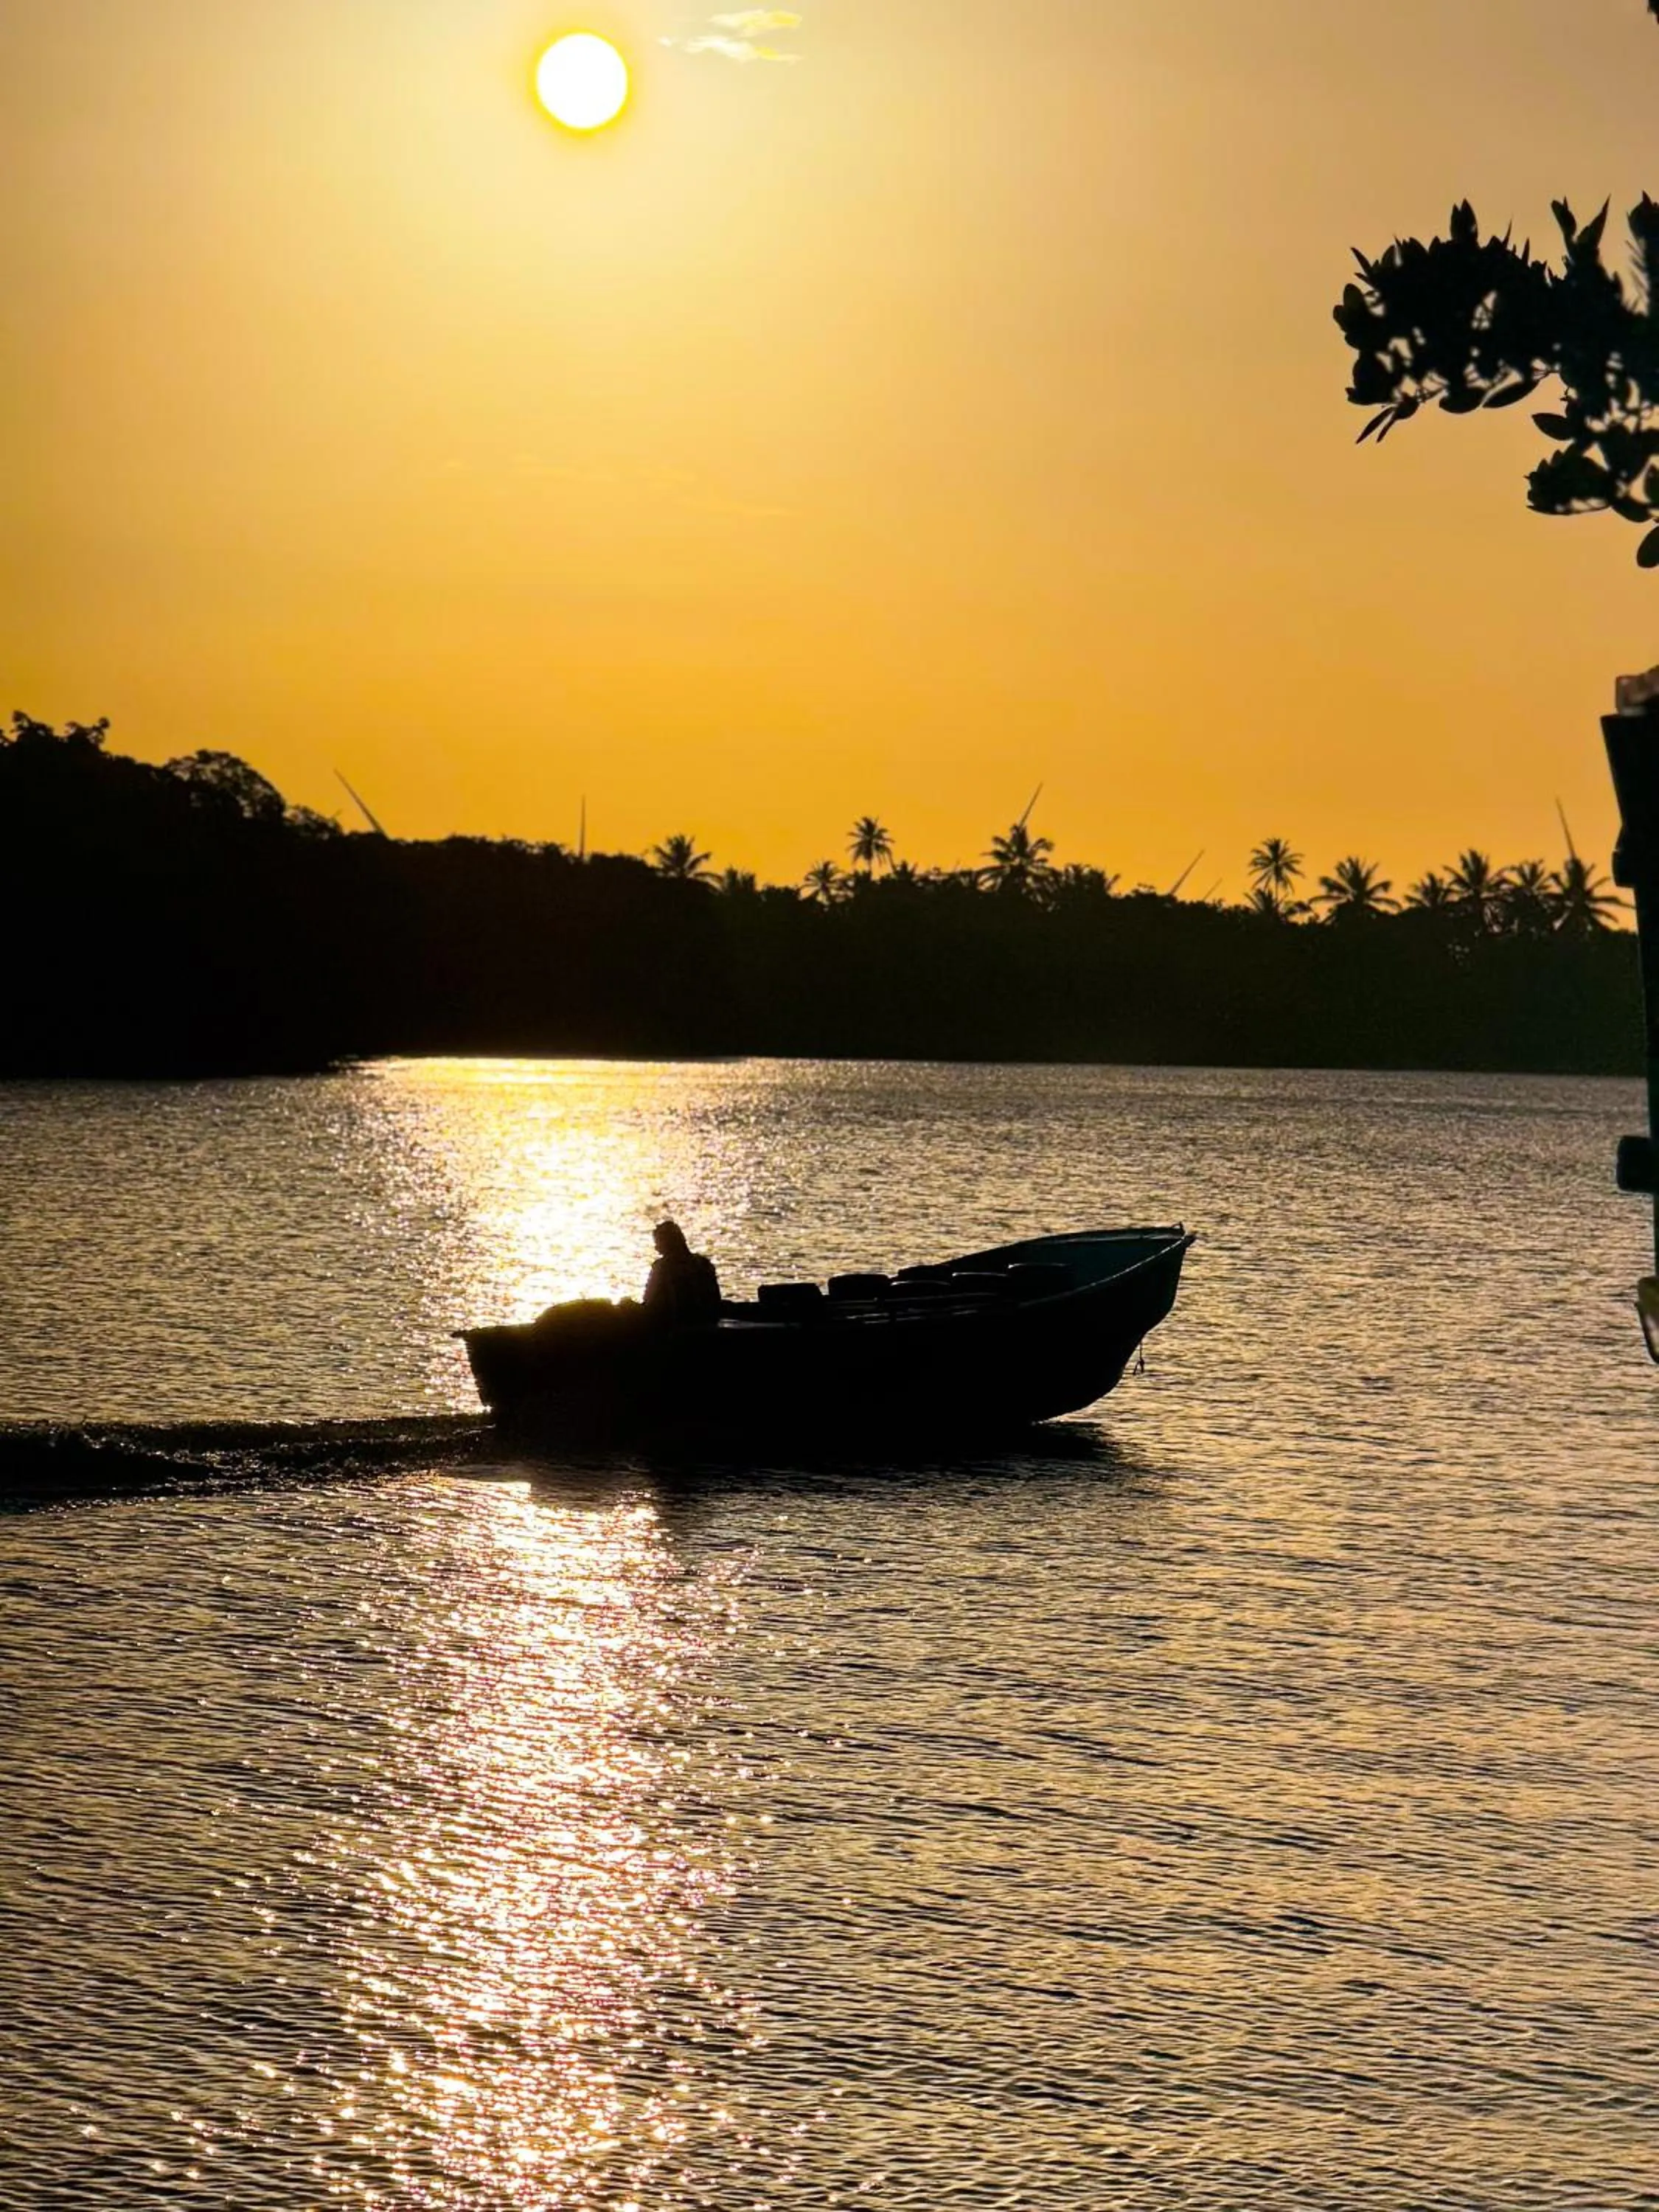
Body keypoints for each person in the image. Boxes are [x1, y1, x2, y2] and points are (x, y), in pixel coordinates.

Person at [642, 1220, 723, 1327]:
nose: (657, 1248)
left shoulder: (662, 1267)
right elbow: (716, 1299)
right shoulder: (704, 1263)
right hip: (708, 1323)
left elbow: (649, 1300)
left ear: (667, 1244)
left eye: (658, 1243)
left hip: (676, 1328)